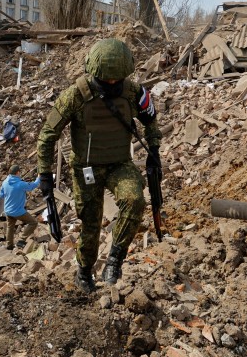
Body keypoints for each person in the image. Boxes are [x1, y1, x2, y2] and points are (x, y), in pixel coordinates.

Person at [36, 38, 161, 292]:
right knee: (91, 224)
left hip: (119, 164)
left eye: (117, 79)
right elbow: (48, 133)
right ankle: (83, 272)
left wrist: (154, 150)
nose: (113, 83)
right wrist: (45, 174)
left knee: (135, 200)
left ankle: (114, 260)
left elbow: (151, 121)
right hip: (86, 168)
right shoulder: (76, 95)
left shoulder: (133, 92)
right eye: (108, 79)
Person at [0, 164, 40, 250]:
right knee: (33, 222)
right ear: (17, 173)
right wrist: (39, 177)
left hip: (7, 211)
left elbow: (1, 195)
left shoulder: (5, 182)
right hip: (17, 211)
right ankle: (21, 240)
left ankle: (9, 245)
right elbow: (33, 186)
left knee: (10, 226)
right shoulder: (20, 184)